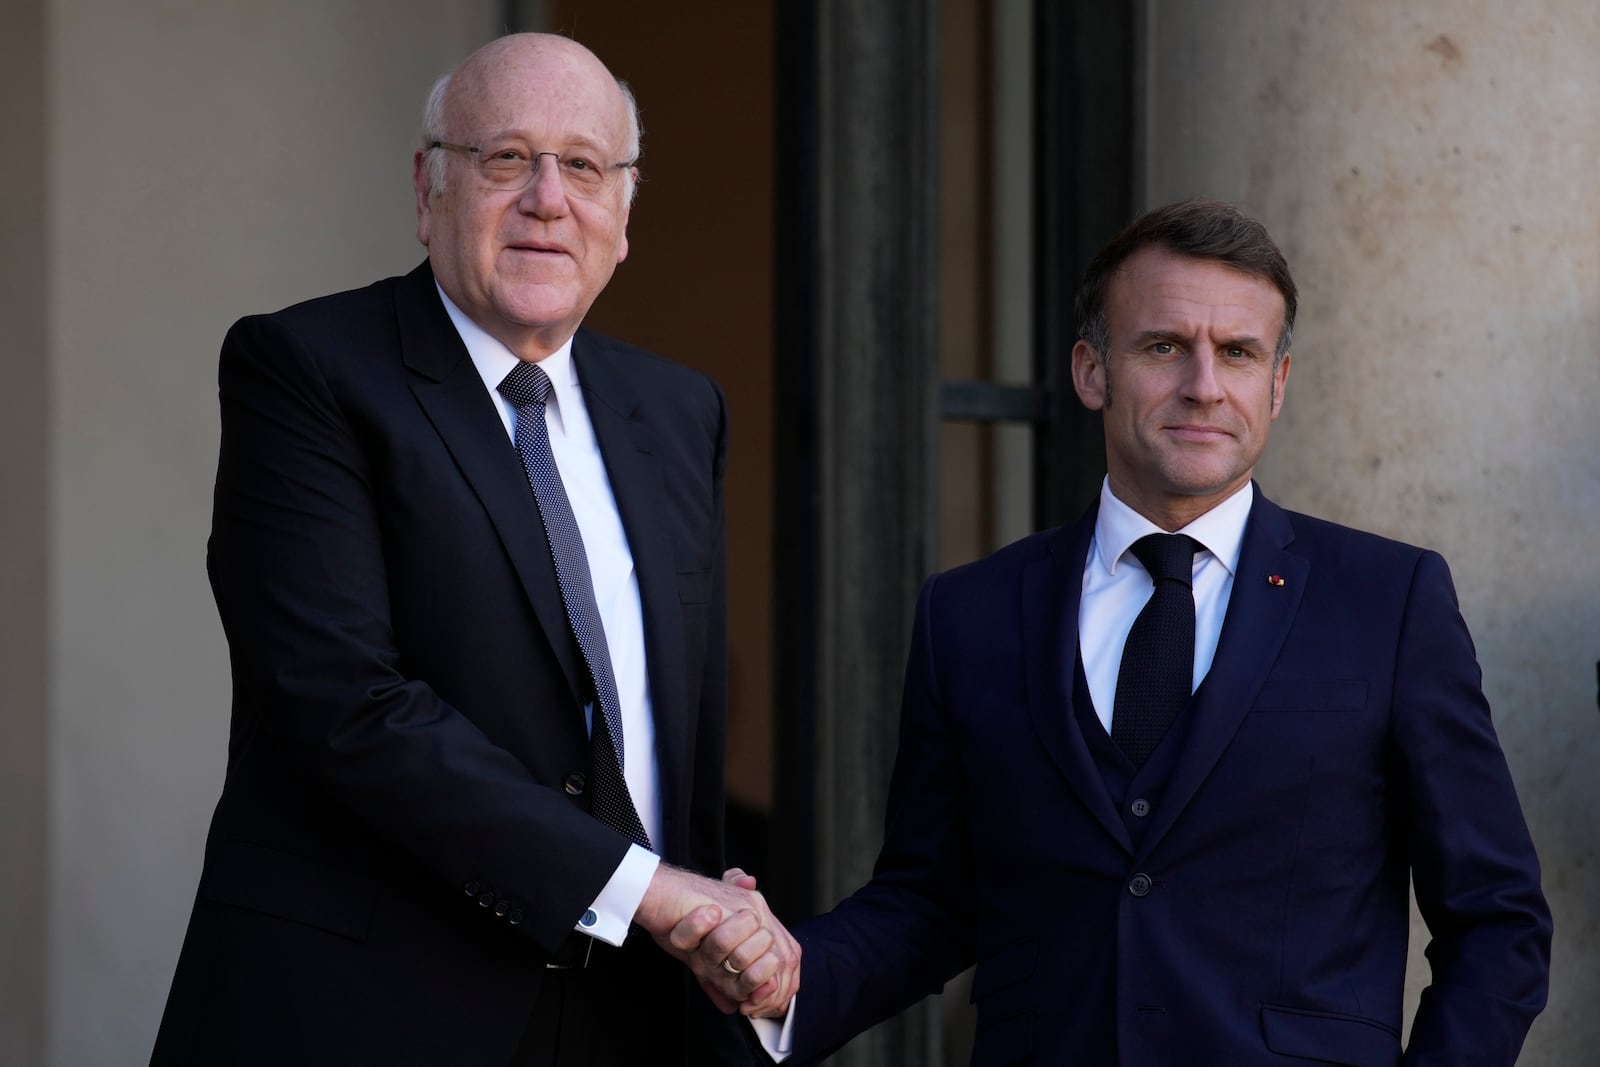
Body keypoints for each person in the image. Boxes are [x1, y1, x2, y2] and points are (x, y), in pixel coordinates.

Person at [714, 199, 1552, 1064]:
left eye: (1237, 352)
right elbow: (928, 904)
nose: (1203, 383)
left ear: (1278, 383)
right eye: (1163, 346)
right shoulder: (969, 613)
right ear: (1091, 371)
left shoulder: (1390, 600)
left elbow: (1497, 919)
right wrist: (794, 976)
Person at [152, 33, 796, 1067]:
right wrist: (644, 886)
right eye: (506, 159)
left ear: (623, 213)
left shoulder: (680, 411)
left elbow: (678, 739)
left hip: (627, 1015)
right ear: (428, 187)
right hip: (366, 1011)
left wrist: (710, 916)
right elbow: (342, 703)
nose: (549, 197)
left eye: (583, 166)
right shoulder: (307, 372)